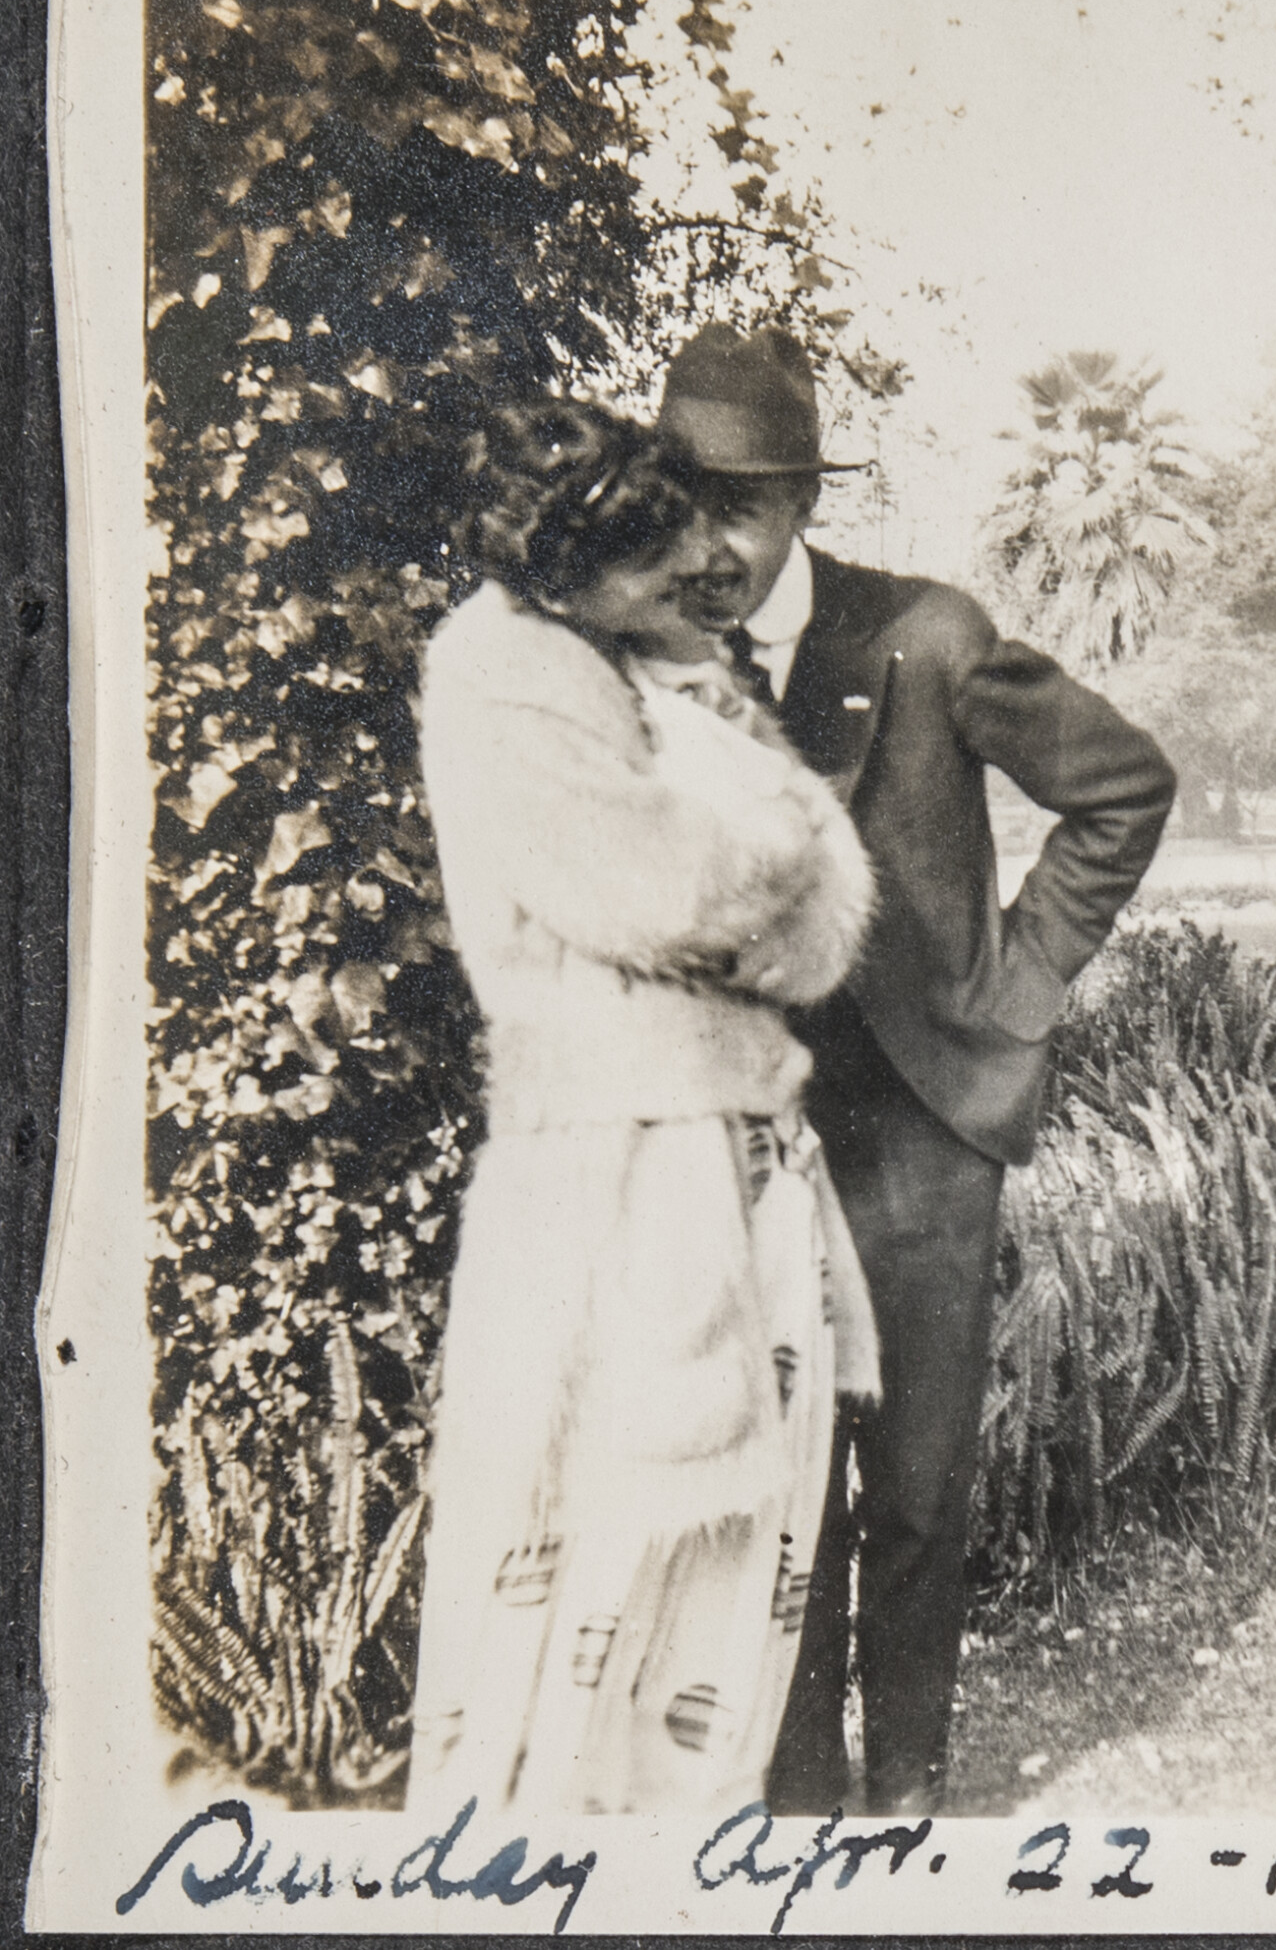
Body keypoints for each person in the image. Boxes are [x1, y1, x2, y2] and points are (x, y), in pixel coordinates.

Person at [659, 324, 1177, 1816]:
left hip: (925, 1136)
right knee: (778, 1486)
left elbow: (1124, 788)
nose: (716, 540)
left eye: (745, 505)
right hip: (751, 1141)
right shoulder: (660, 660)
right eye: (686, 501)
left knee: (922, 1491)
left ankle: (909, 1804)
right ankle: (800, 1806)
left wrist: (1013, 992)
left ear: (807, 503)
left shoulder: (930, 639)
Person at [408, 399, 879, 1818]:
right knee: (582, 1547)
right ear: (569, 569)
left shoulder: (655, 665)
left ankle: (690, 1864)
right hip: (611, 1164)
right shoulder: (502, 669)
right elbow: (661, 885)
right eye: (657, 575)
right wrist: (773, 847)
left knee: (738, 1575)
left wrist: (767, 865)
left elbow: (818, 931)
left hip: (739, 1142)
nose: (694, 596)